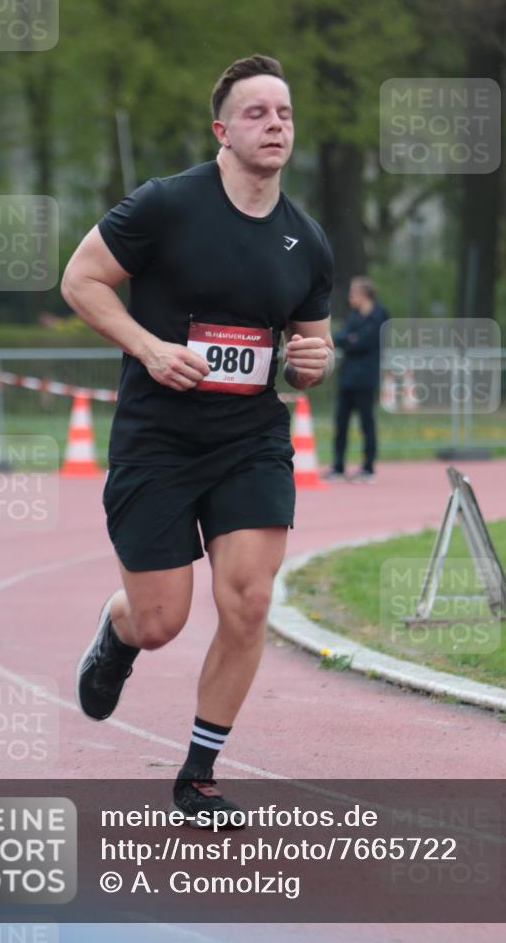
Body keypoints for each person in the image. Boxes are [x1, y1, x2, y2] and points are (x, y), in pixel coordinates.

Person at [61, 54, 334, 826]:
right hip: (158, 437)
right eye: (256, 113)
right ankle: (117, 635)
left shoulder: (306, 241)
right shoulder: (165, 206)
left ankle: (199, 775)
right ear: (221, 130)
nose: (274, 124)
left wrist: (313, 360)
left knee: (247, 600)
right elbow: (80, 280)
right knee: (160, 621)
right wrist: (149, 348)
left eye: (283, 113)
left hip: (248, 438)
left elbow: (307, 356)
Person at [326, 277, 388, 483]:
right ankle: (338, 465)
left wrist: (352, 340)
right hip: (348, 378)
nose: (350, 297)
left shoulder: (379, 316)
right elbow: (340, 337)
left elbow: (366, 342)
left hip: (365, 378)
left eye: (353, 293)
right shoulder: (353, 316)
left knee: (366, 423)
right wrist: (351, 339)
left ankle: (368, 467)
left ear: (364, 294)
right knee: (341, 422)